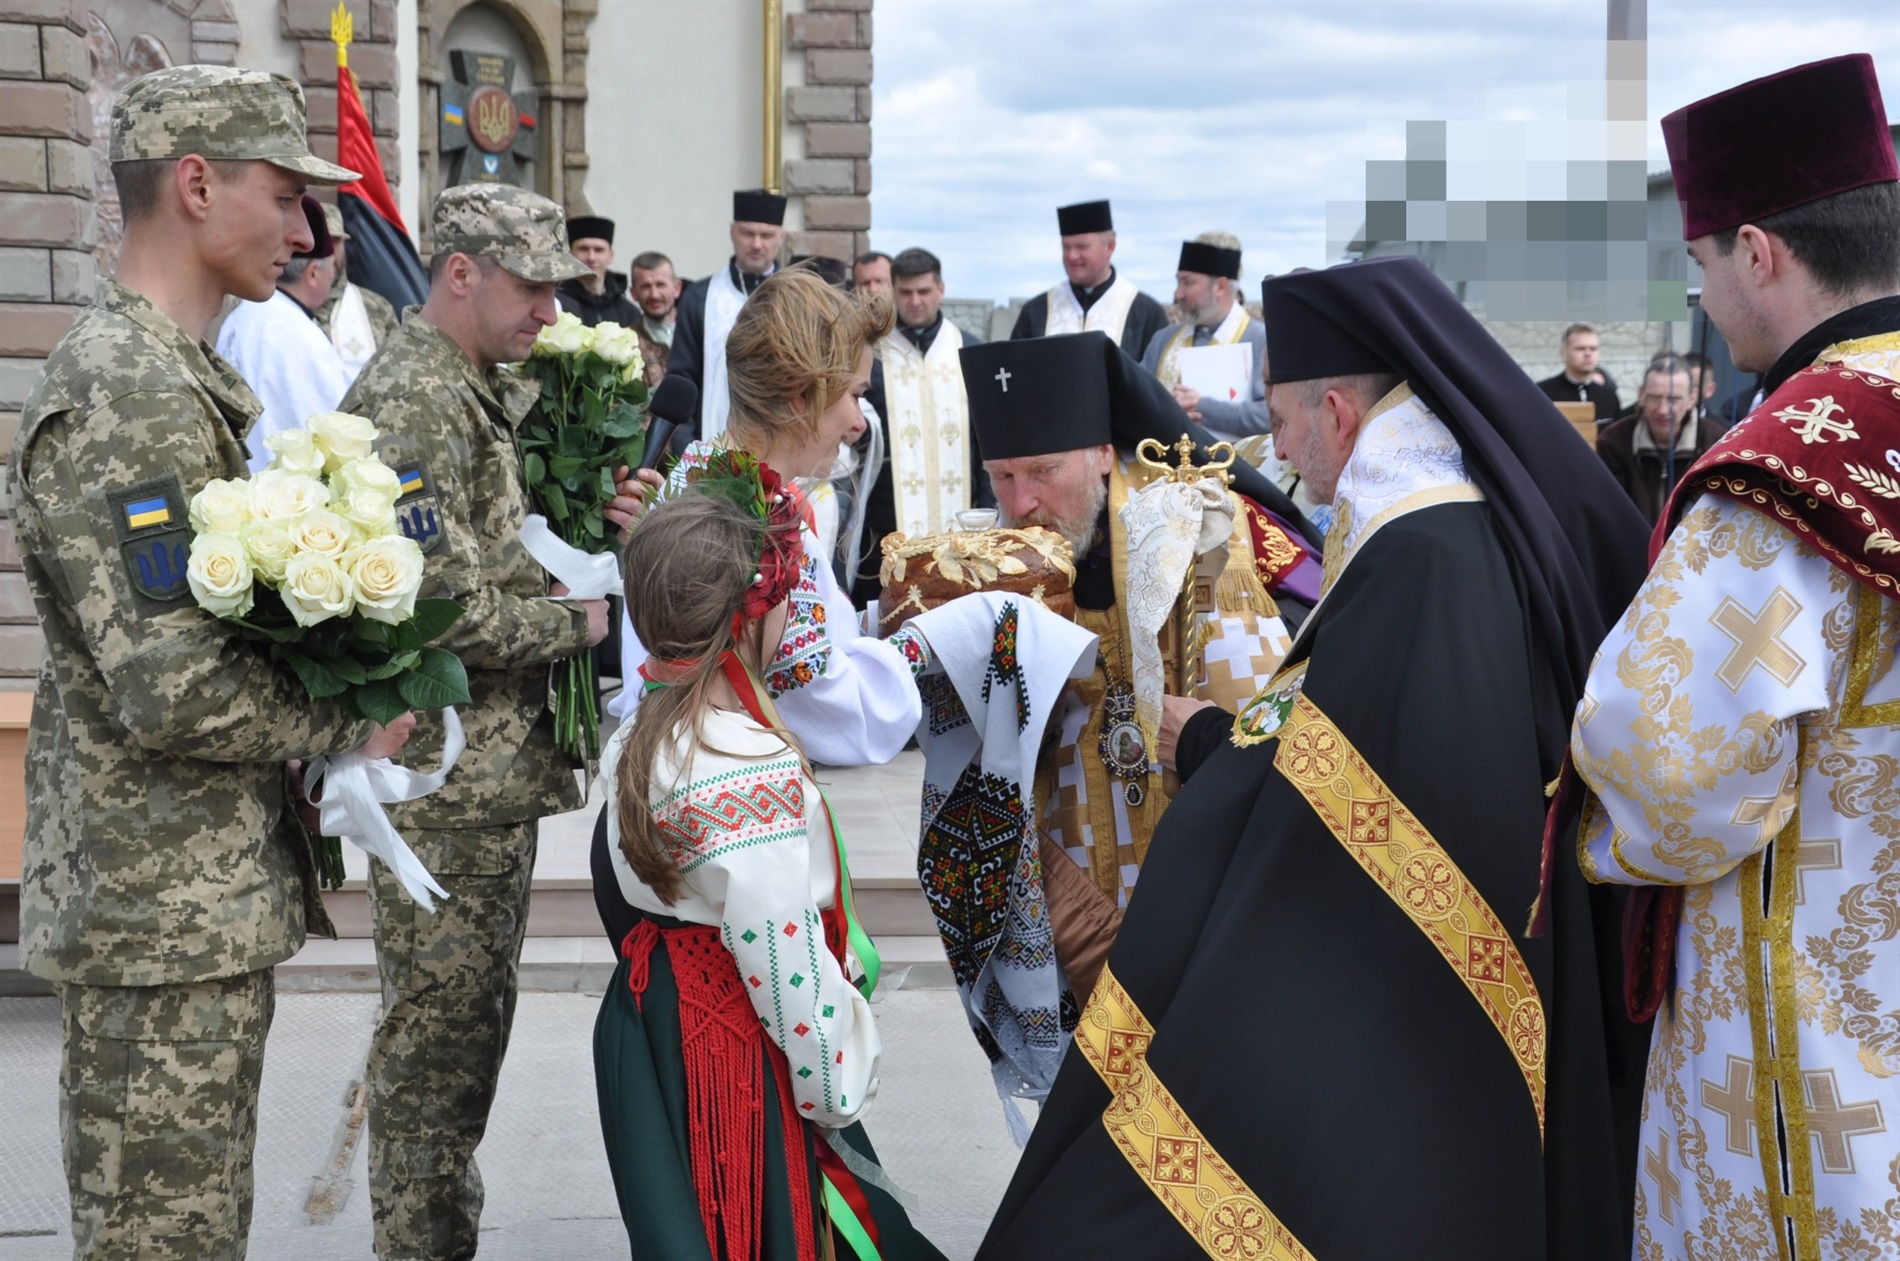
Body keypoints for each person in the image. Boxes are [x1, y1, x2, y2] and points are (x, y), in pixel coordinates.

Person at [978, 255, 1653, 1260]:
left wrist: (1205, 741)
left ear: (1338, 411)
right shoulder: (1435, 519)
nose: (1278, 453)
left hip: (1430, 951)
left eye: (1286, 424)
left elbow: (1344, 762)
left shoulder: (1422, 548)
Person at [9, 64, 416, 1258]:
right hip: (155, 917)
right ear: (196, 184)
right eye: (285, 196)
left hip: (190, 907)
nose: (304, 231)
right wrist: (342, 718)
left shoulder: (178, 376)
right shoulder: (126, 388)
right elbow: (169, 680)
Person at [1570, 54, 1900, 1260]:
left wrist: (1577, 825)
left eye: (1702, 262)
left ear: (1757, 251)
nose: (1702, 293)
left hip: (1827, 1067)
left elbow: (1669, 780)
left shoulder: (1781, 474)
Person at [912, 332, 1323, 1121]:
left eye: (1044, 471)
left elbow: (1273, 732)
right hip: (1069, 903)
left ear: (1103, 453)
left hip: (1192, 904)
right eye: (1003, 476)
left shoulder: (1206, 538)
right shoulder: (996, 565)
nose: (1022, 501)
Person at [337, 182, 614, 1260]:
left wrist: (582, 539)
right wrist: (575, 622)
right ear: (461, 272)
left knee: (459, 1050)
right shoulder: (414, 397)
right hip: (447, 788)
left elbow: (484, 545)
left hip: (480, 782)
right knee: (435, 1062)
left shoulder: (461, 382)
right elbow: (433, 598)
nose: (550, 313)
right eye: (533, 287)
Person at [595, 478, 946, 1260]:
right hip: (729, 1048)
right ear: (754, 616)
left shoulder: (640, 731)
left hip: (656, 1014)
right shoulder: (741, 764)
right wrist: (833, 1073)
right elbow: (779, 955)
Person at [597, 266, 925, 949]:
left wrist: (867, 625)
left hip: (661, 799)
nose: (858, 421)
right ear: (805, 397)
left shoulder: (693, 475)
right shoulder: (766, 529)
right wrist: (928, 647)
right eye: (854, 395)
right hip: (726, 836)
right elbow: (837, 711)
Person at [858, 247, 986, 580]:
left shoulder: (969, 351)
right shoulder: (871, 357)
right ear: (893, 292)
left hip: (961, 524)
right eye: (906, 292)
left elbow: (985, 442)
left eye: (924, 291)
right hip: (888, 524)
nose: (915, 301)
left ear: (940, 290)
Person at [215, 193, 353, 469]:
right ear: (313, 273)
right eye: (332, 269)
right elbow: (334, 433)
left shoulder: (241, 316)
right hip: (288, 496)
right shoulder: (297, 334)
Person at [666, 188, 785, 439]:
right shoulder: (700, 298)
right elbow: (683, 379)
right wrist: (687, 451)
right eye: (747, 233)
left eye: (766, 235)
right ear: (732, 232)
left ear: (781, 237)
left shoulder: (798, 298)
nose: (756, 244)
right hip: (712, 448)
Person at [1139, 232, 1268, 441]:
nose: (1178, 294)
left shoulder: (1261, 339)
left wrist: (1203, 407)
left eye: (1188, 283)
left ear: (1220, 287)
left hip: (1237, 470)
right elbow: (1136, 399)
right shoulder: (1163, 339)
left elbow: (1271, 416)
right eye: (1178, 282)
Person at [1008, 200, 1168, 358]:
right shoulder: (1036, 311)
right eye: (1066, 247)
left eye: (1082, 247)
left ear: (1110, 246)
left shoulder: (1146, 314)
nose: (1072, 256)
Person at [1594, 354, 1722, 524]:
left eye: (1673, 399)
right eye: (1655, 398)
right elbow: (1608, 512)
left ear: (1692, 398)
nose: (1663, 410)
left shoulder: (1716, 443)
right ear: (1641, 396)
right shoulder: (1613, 441)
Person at [316, 200, 399, 377]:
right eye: (321, 242)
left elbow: (397, 374)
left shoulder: (377, 308)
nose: (328, 253)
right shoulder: (271, 307)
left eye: (334, 241)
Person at [556, 213, 642, 330]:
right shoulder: (556, 304)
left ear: (610, 256)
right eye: (583, 249)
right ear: (570, 254)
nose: (591, 257)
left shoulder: (628, 313)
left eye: (599, 250)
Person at [1537, 323, 1622, 421]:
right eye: (1580, 349)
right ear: (1563, 353)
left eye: (1593, 349)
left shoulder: (1609, 397)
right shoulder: (1543, 393)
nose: (1588, 354)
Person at [628, 248, 680, 388]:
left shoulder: (699, 333)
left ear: (677, 288)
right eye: (645, 286)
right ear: (633, 293)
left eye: (660, 285)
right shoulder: (628, 344)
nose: (654, 295)